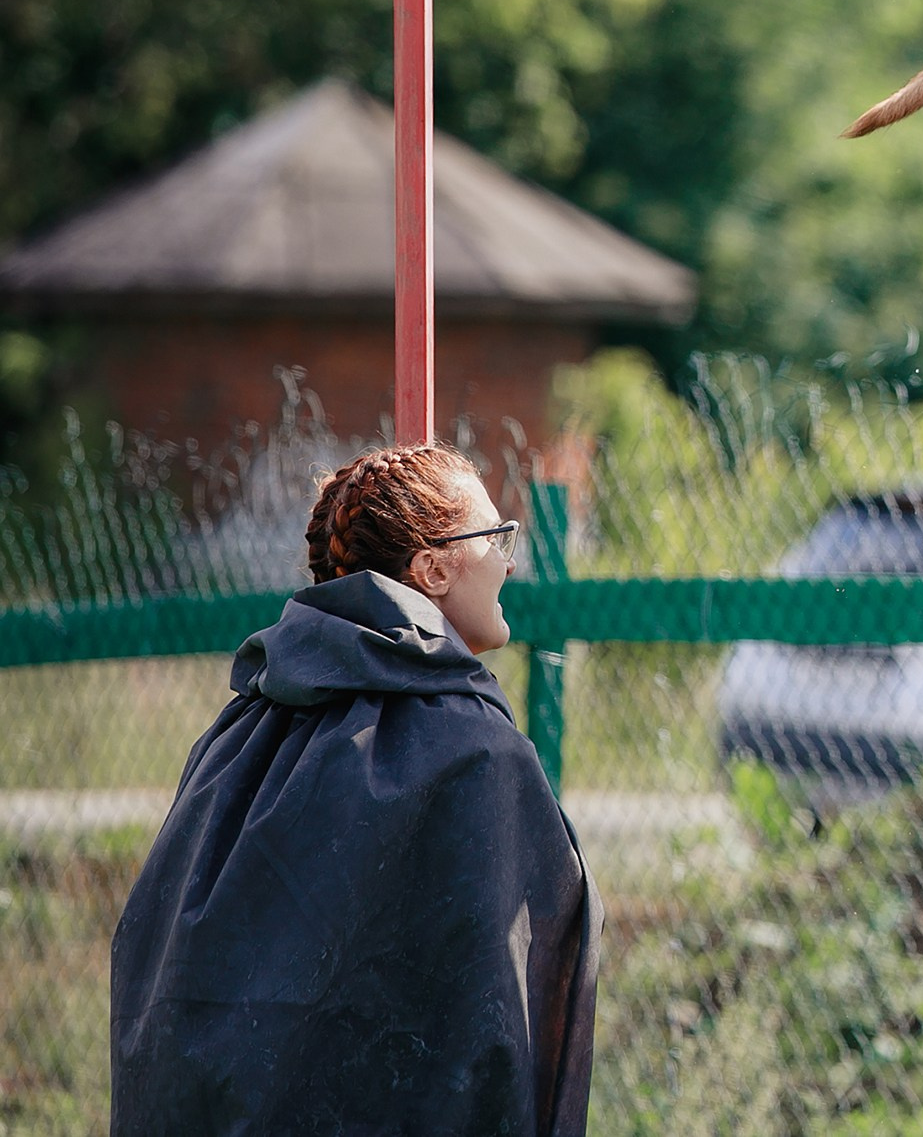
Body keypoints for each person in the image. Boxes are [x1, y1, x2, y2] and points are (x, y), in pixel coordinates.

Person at [110, 443, 598, 1137]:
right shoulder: (472, 748)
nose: (510, 560)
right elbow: (495, 1019)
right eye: (496, 536)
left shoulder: (244, 726)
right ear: (433, 568)